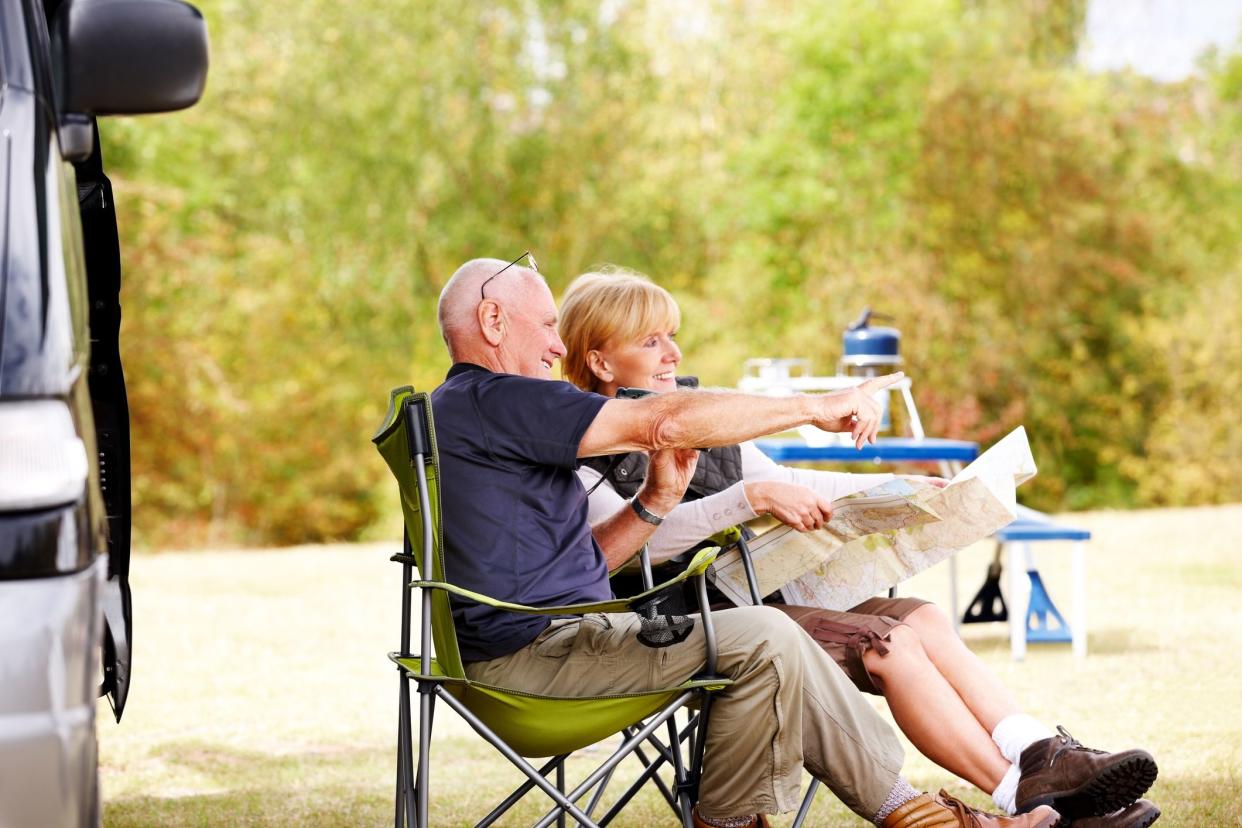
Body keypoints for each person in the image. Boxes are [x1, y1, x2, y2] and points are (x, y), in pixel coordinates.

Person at [431, 255, 1065, 828]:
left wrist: (654, 502)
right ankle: (929, 820)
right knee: (765, 635)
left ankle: (753, 820)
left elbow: (589, 559)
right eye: (545, 324)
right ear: (492, 319)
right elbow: (665, 420)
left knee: (766, 638)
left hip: (559, 638)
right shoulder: (499, 399)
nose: (556, 344)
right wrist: (817, 407)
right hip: (538, 656)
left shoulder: (475, 414)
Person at [556, 268, 1160, 828]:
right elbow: (641, 544)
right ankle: (1020, 800)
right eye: (651, 341)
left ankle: (1038, 752)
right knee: (887, 645)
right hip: (686, 626)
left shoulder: (705, 419)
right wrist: (748, 498)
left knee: (918, 617)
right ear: (600, 360)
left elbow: (794, 483)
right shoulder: (583, 450)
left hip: (762, 595)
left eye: (672, 336)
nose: (674, 354)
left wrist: (896, 490)